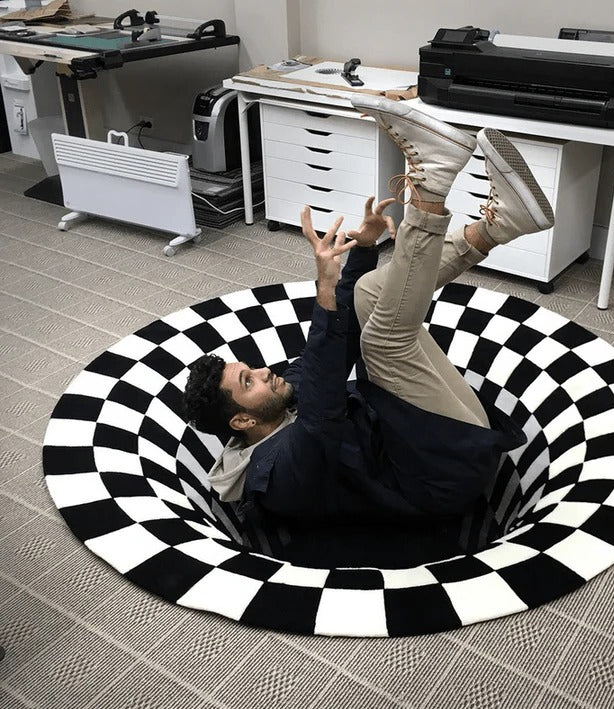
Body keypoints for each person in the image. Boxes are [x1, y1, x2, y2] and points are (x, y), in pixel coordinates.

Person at [183, 96, 554, 524]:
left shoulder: (279, 403)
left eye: (251, 369)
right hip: (441, 479)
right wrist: (324, 288)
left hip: (449, 439)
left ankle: (499, 226)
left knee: (366, 295)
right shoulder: (277, 475)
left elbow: (329, 354)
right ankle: (431, 186)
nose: (264, 371)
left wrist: (362, 250)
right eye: (248, 381)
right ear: (243, 421)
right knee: (382, 342)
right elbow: (321, 415)